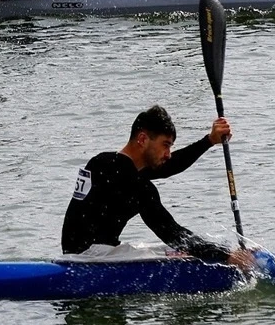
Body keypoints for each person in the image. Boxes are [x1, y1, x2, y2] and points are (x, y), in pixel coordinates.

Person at [62, 105, 257, 270]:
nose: (168, 154)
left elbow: (169, 166)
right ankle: (234, 259)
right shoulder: (134, 184)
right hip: (90, 260)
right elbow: (172, 233)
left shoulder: (102, 163)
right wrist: (225, 257)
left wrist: (209, 140)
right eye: (165, 145)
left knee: (175, 251)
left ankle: (229, 253)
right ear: (142, 139)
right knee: (181, 253)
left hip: (83, 253)